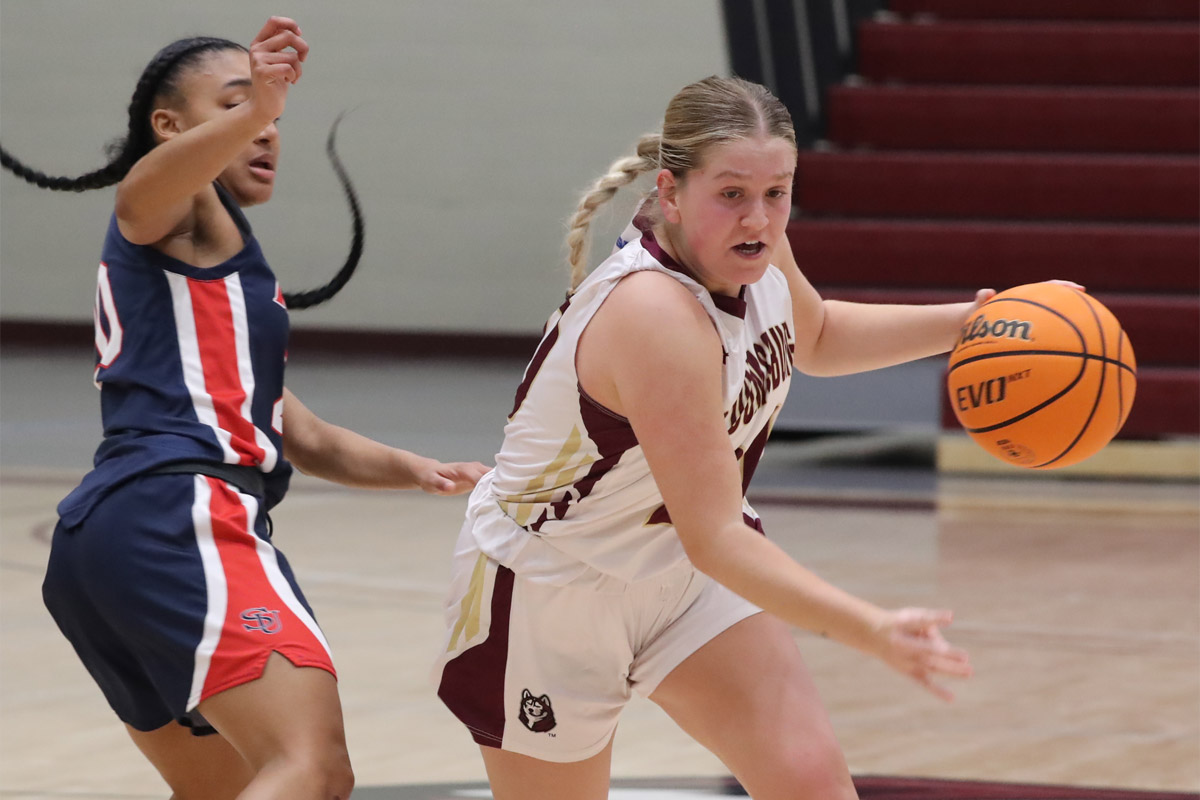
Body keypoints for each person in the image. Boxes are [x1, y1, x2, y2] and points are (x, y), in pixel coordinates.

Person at [432, 75, 985, 800]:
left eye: (777, 192)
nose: (758, 217)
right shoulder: (655, 313)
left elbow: (814, 335)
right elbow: (718, 534)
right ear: (670, 192)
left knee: (814, 785)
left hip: (678, 575)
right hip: (550, 588)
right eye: (731, 194)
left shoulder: (755, 254)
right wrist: (867, 626)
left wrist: (972, 323)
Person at [1, 17, 487, 800]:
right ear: (170, 127)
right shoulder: (172, 208)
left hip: (108, 544)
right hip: (177, 515)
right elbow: (138, 192)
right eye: (237, 107)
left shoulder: (220, 284)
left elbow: (306, 434)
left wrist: (419, 470)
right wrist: (256, 107)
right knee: (313, 766)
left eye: (273, 119)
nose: (266, 131)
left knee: (226, 789)